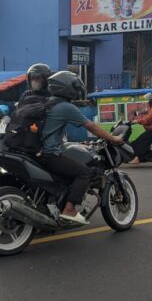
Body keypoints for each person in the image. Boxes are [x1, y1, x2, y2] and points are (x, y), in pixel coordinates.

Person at [40, 70, 123, 224]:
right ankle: (69, 210)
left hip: (38, 153)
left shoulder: (46, 103)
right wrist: (113, 138)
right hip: (50, 154)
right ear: (66, 88)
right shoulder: (66, 107)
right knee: (85, 173)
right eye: (74, 87)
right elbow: (91, 127)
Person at [128, 94, 152, 164]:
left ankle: (138, 158)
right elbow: (145, 114)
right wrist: (136, 116)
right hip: (151, 129)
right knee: (136, 141)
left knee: (140, 142)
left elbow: (147, 119)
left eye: (149, 100)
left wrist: (137, 121)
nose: (148, 101)